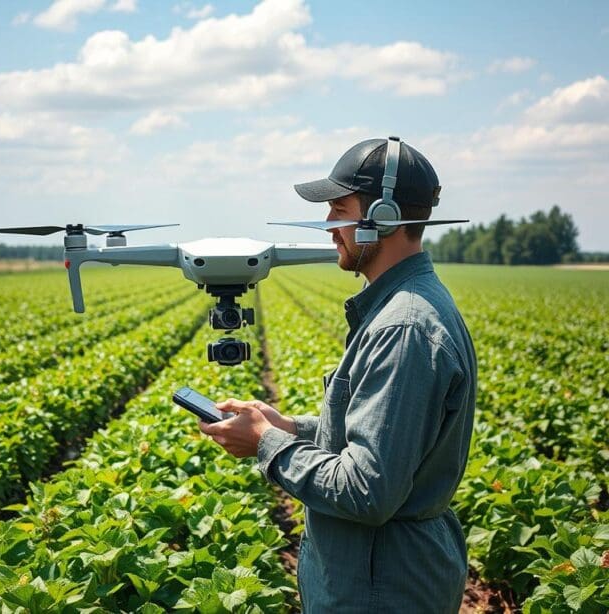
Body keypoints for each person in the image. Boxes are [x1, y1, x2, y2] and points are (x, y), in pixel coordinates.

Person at [198, 137, 477, 612]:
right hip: (381, 575)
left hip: (379, 587)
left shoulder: (403, 327)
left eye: (340, 209)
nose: (329, 225)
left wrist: (266, 443)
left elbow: (366, 490)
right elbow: (381, 440)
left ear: (383, 217)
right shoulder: (401, 308)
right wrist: (289, 427)